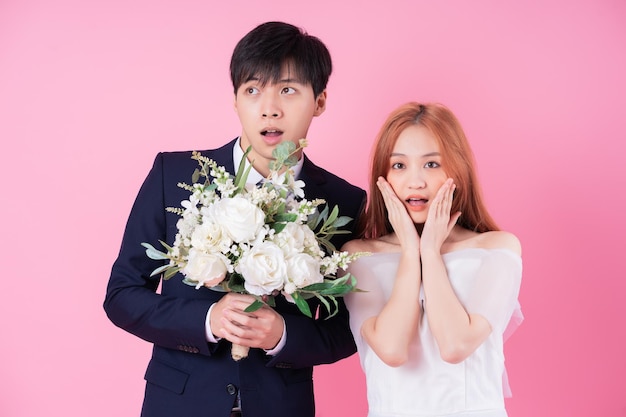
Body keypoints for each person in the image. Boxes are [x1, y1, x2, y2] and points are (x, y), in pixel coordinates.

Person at [104, 21, 366, 417]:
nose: (269, 107)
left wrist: (283, 335)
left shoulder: (343, 201)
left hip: (281, 405)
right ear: (236, 100)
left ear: (321, 100)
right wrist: (207, 319)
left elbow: (348, 328)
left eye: (288, 90)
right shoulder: (172, 176)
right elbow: (122, 295)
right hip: (180, 403)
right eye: (253, 90)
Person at [343, 102, 523, 417]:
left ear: (458, 169)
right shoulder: (359, 255)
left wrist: (430, 252)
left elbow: (455, 346)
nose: (416, 182)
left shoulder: (497, 249)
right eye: (399, 165)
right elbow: (392, 350)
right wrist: (412, 253)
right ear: (382, 176)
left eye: (431, 164)